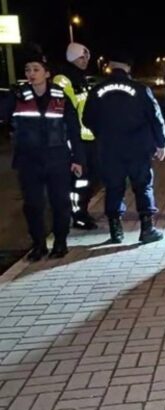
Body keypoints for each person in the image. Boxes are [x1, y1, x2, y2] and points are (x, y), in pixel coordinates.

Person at [0, 51, 85, 261]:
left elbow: (74, 130)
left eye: (36, 69)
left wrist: (78, 159)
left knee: (60, 203)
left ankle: (60, 242)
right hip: (29, 161)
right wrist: (11, 96)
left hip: (58, 159)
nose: (31, 73)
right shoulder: (18, 96)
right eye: (28, 70)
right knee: (33, 205)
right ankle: (38, 244)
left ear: (47, 73)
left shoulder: (60, 97)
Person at [83, 50, 165, 244]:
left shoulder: (97, 90)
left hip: (109, 149)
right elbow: (155, 117)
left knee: (113, 188)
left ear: (110, 66)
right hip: (138, 148)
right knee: (143, 186)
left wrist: (102, 134)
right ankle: (147, 230)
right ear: (128, 67)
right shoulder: (139, 89)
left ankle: (116, 232)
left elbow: (87, 118)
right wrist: (160, 142)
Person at [53, 42, 100, 230]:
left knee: (90, 179)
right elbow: (66, 111)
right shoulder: (63, 79)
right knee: (79, 181)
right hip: (75, 139)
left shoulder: (81, 78)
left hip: (88, 138)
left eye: (87, 57)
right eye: (82, 57)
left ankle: (83, 211)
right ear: (72, 57)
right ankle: (78, 215)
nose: (85, 60)